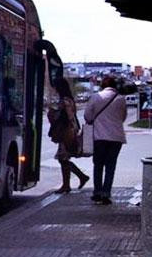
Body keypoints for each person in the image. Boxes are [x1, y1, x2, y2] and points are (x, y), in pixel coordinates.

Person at [84, 76, 127, 205]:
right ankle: (106, 194)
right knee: (110, 166)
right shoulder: (120, 99)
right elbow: (123, 117)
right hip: (116, 138)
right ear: (115, 85)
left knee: (98, 165)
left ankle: (97, 192)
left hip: (99, 137)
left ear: (102, 85)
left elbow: (87, 116)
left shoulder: (95, 97)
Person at [47, 79, 89, 193]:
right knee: (64, 158)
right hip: (70, 131)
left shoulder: (64, 102)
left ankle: (71, 182)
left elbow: (63, 118)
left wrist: (51, 114)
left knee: (63, 158)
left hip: (65, 132)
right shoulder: (70, 100)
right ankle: (75, 180)